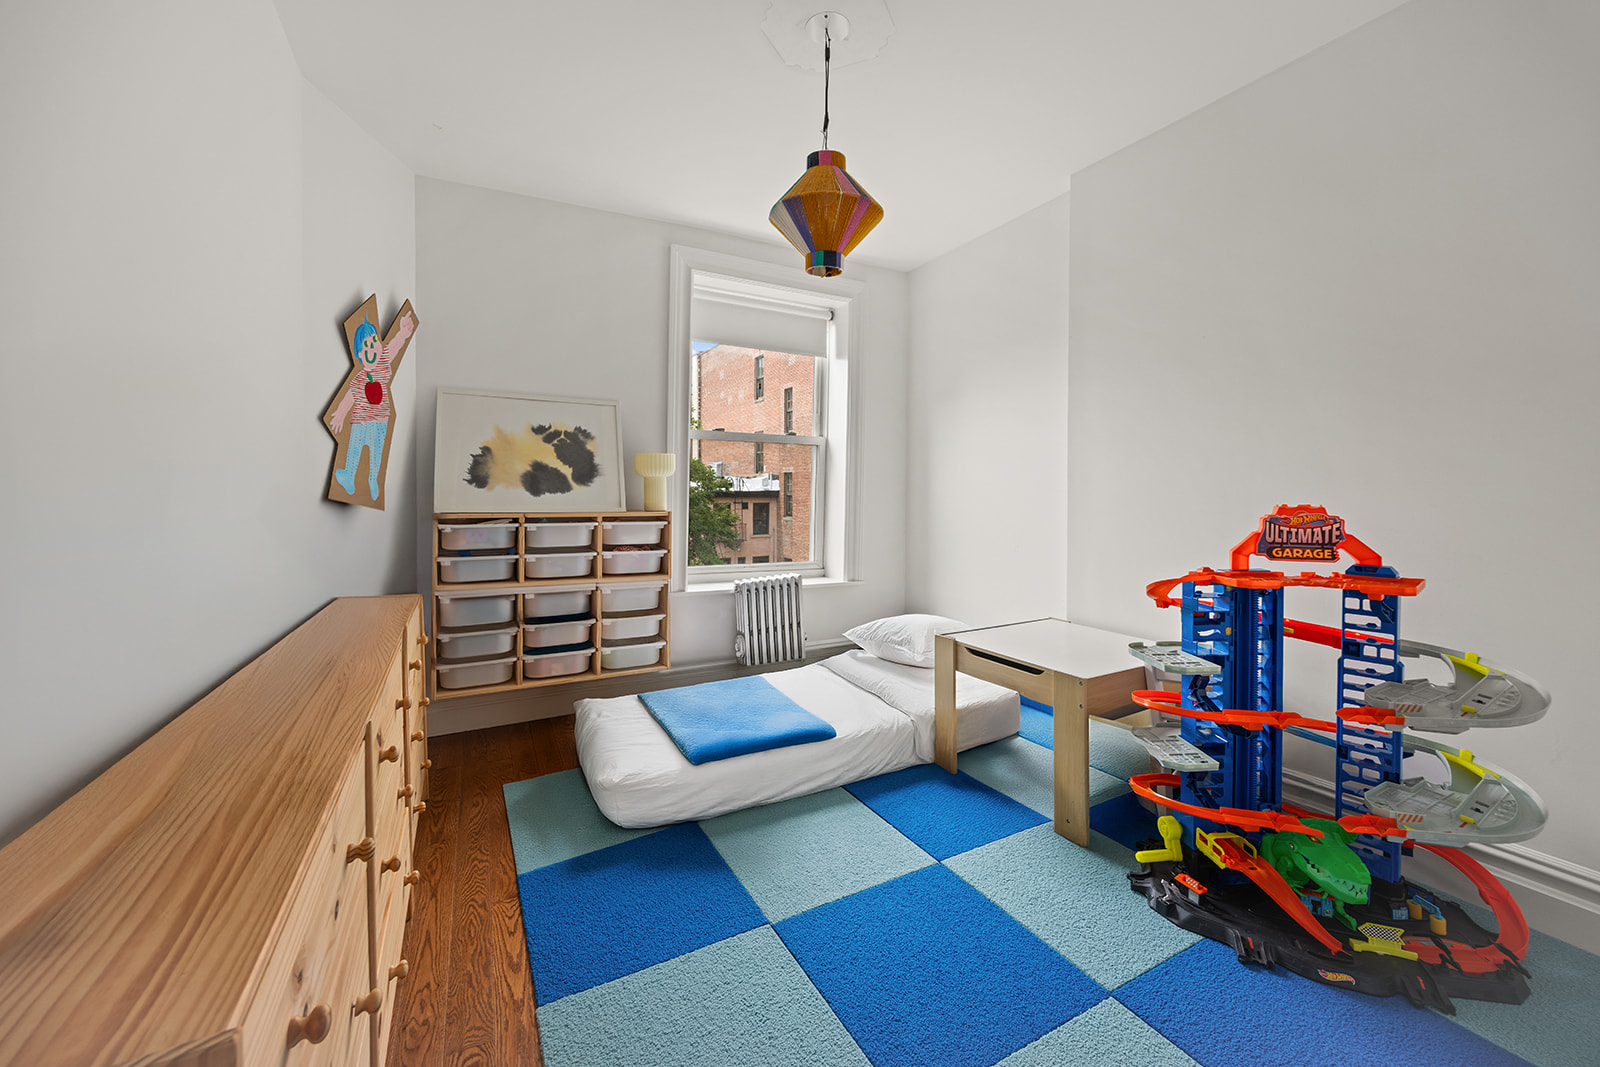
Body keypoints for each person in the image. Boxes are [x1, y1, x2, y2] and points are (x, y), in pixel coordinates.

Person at [330, 308, 415, 500]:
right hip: (360, 421)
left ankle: (373, 479)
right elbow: (349, 397)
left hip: (380, 421)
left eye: (375, 342)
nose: (373, 348)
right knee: (354, 448)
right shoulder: (358, 379)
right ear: (359, 353)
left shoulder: (383, 363)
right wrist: (341, 414)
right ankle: (349, 476)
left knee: (377, 453)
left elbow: (394, 347)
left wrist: (402, 333)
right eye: (367, 346)